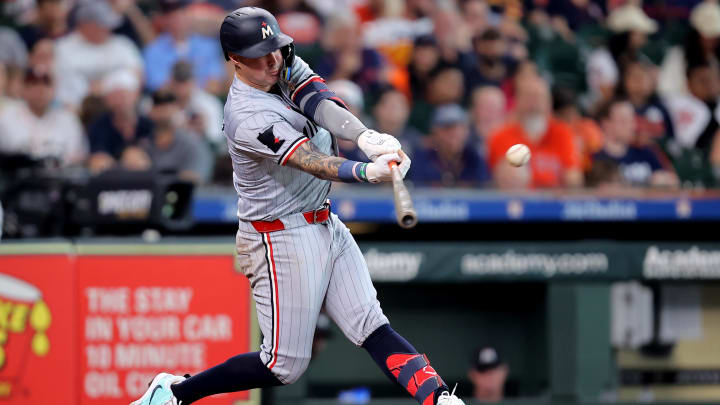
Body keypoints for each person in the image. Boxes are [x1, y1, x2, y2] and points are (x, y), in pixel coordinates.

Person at [131, 7, 464, 405]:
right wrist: (364, 171)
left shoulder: (279, 60)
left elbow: (317, 98)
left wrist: (364, 135)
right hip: (278, 236)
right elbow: (309, 159)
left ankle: (439, 398)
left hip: (323, 219)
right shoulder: (245, 114)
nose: (273, 60)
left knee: (371, 324)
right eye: (260, 54)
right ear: (235, 61)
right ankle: (175, 392)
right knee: (283, 366)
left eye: (275, 48)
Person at [488, 77, 583, 189]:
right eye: (529, 97)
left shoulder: (563, 134)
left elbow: (574, 176)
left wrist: (571, 180)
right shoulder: (501, 136)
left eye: (539, 97)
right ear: (517, 101)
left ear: (549, 102)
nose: (534, 104)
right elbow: (497, 180)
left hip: (553, 200)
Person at [54, 1, 143, 108]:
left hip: (117, 106)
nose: (107, 29)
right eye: (102, 24)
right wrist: (92, 89)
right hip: (78, 108)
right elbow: (63, 84)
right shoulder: (63, 48)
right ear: (85, 25)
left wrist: (103, 85)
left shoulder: (122, 44)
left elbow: (137, 75)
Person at [0, 66, 86, 166]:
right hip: (18, 178)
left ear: (54, 88)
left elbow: (77, 159)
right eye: (34, 83)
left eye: (46, 83)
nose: (40, 89)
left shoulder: (69, 120)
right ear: (23, 88)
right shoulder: (6, 117)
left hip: (60, 178)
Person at [143, 0, 226, 93]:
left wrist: (191, 90)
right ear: (165, 20)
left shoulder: (207, 46)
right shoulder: (153, 50)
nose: (178, 21)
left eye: (181, 15)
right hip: (169, 100)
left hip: (200, 96)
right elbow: (155, 85)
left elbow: (215, 83)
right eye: (172, 17)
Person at [592, 98, 678, 188]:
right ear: (605, 123)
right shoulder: (594, 156)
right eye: (623, 121)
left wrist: (662, 180)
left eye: (632, 120)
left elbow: (673, 180)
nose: (631, 126)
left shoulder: (645, 150)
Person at [87, 69, 153, 174]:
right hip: (111, 180)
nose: (120, 101)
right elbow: (98, 158)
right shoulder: (99, 126)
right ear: (107, 100)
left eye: (124, 95)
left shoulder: (148, 125)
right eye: (115, 96)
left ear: (135, 95)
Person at [409, 104, 490, 187]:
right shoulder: (421, 159)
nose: (455, 134)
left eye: (460, 128)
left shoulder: (474, 159)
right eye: (447, 128)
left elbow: (483, 191)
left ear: (467, 131)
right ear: (434, 131)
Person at [144, 90, 214, 184]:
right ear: (151, 111)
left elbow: (196, 177)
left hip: (183, 196)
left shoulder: (192, 144)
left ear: (177, 110)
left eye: (167, 107)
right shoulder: (144, 143)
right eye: (158, 106)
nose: (163, 112)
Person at [168, 61, 225, 150]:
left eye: (185, 80)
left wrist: (202, 131)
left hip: (203, 152)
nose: (182, 86)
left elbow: (216, 140)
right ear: (171, 81)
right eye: (178, 81)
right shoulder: (163, 104)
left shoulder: (209, 103)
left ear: (194, 81)